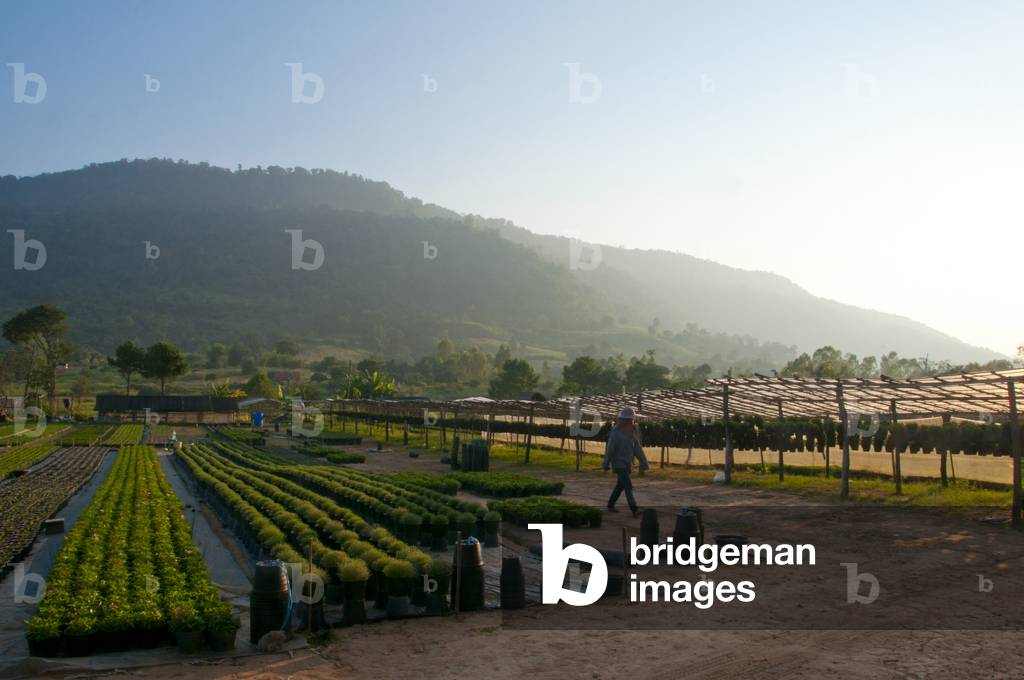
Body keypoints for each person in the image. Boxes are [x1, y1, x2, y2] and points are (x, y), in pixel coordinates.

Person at [603, 406, 650, 517]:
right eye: (627, 419)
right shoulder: (615, 433)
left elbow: (637, 449)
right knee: (628, 485)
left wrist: (644, 462)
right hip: (618, 464)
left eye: (630, 419)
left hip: (627, 464)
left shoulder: (633, 433)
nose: (629, 421)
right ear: (622, 420)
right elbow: (610, 450)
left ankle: (610, 505)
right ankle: (634, 509)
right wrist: (606, 463)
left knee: (620, 486)